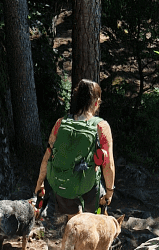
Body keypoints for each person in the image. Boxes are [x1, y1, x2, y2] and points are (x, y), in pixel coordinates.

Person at [35, 79, 115, 215]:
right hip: (88, 187)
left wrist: (40, 183)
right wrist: (109, 192)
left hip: (62, 185)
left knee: (73, 224)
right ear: (96, 103)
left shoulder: (60, 123)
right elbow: (108, 165)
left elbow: (47, 156)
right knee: (90, 228)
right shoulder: (101, 126)